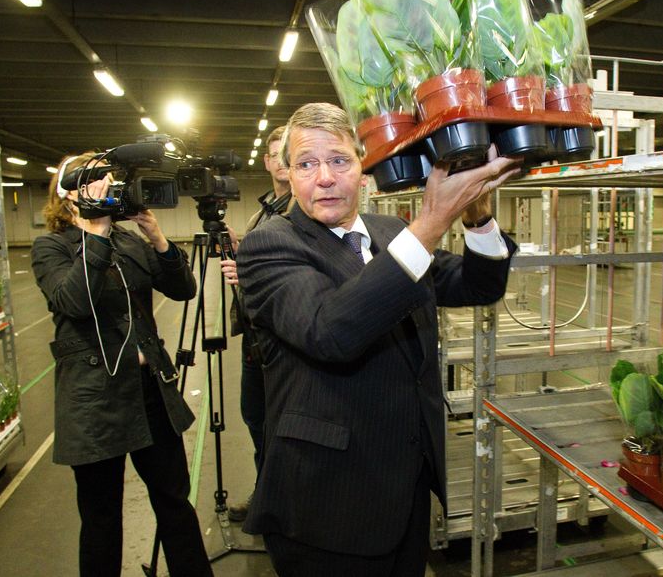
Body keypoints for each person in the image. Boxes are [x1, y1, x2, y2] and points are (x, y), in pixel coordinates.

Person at [237, 103, 520, 575]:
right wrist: (431, 221)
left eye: (340, 161)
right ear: (288, 173)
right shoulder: (271, 245)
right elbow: (331, 331)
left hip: (405, 486)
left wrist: (477, 216)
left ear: (364, 170)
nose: (324, 177)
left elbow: (478, 285)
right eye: (307, 163)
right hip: (328, 505)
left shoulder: (390, 233)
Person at [31, 152, 212, 577]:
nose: (105, 185)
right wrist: (95, 233)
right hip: (95, 400)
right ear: (68, 194)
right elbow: (73, 301)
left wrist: (157, 237)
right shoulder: (51, 248)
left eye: (108, 178)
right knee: (101, 516)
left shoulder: (129, 242)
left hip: (149, 390)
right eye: (92, 180)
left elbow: (183, 289)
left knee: (173, 501)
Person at [219, 125, 291, 522]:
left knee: (283, 424)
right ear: (267, 161)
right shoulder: (262, 211)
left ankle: (283, 502)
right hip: (255, 337)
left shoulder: (303, 207)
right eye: (277, 154)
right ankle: (267, 494)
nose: (283, 161)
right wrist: (239, 243)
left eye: (290, 152)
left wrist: (248, 269)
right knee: (256, 418)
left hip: (282, 337)